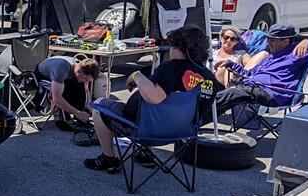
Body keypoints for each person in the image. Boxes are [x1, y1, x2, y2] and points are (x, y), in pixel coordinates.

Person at [84, 25, 216, 172]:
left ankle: (109, 158)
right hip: (181, 132)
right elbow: (202, 111)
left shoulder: (171, 68)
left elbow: (154, 97)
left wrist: (137, 75)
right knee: (154, 113)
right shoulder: (209, 78)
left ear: (179, 48)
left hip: (144, 130)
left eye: (172, 45)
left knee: (98, 104)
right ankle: (143, 152)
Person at [213, 24, 308, 119]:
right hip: (252, 88)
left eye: (272, 40)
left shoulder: (296, 53)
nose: (268, 43)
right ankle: (199, 123)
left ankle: (202, 106)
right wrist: (231, 64)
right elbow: (250, 74)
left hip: (272, 94)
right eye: (268, 39)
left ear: (285, 41)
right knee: (215, 87)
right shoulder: (270, 57)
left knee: (232, 93)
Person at [35, 56, 100, 126]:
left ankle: (82, 118)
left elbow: (86, 90)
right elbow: (56, 98)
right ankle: (64, 119)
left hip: (63, 75)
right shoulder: (61, 69)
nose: (86, 82)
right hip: (42, 76)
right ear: (79, 71)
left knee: (80, 85)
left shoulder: (81, 69)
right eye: (86, 79)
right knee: (63, 91)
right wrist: (77, 112)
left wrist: (87, 105)